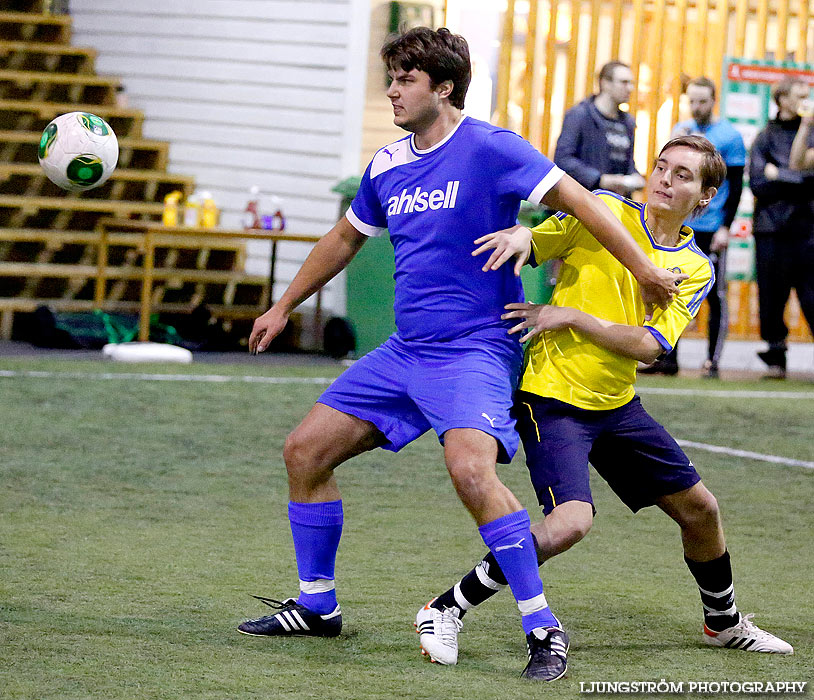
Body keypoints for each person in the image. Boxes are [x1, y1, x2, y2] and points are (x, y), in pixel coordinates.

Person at [236, 26, 684, 680]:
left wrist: (643, 269)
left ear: (442, 88)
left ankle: (543, 629)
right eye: (391, 78)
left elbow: (580, 202)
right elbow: (343, 238)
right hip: (404, 353)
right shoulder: (388, 164)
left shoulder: (491, 148)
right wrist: (283, 306)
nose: (391, 89)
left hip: (475, 350)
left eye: (405, 79)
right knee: (304, 451)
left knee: (473, 475)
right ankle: (317, 604)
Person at [415, 136, 793, 679]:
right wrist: (522, 235)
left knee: (701, 510)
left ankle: (723, 621)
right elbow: (539, 239)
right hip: (553, 399)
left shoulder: (693, 267)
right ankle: (447, 607)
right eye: (661, 167)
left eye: (682, 175)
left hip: (617, 406)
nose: (664, 178)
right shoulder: (604, 211)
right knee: (570, 523)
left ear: (706, 197)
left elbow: (648, 347)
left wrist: (569, 316)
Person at [642, 77, 746, 378]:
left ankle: (712, 361)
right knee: (669, 287)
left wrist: (726, 226)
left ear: (714, 100)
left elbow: (736, 187)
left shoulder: (729, 136)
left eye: (702, 101)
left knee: (713, 294)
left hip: (712, 226)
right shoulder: (680, 131)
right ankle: (667, 358)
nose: (696, 106)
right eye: (692, 101)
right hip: (679, 224)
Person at [748, 77, 814, 379]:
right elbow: (760, 184)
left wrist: (781, 174)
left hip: (808, 229)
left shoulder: (811, 133)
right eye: (799, 95)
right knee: (772, 297)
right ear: (782, 99)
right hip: (771, 230)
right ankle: (776, 355)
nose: (806, 99)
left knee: (812, 295)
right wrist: (795, 179)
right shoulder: (764, 137)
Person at [553, 61, 646, 198]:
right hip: (583, 200)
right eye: (624, 82)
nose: (630, 88)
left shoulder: (628, 122)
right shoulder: (580, 115)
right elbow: (563, 159)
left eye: (631, 83)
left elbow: (628, 163)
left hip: (615, 203)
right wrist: (599, 179)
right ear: (605, 83)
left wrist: (635, 177)